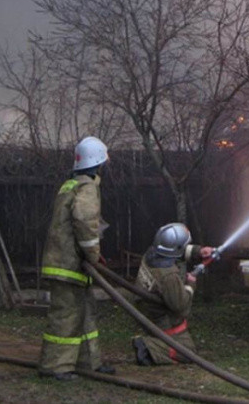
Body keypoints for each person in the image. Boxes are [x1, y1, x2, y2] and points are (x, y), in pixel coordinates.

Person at [38, 136, 115, 380]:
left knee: (85, 315)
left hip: (66, 263)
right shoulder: (87, 187)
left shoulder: (70, 184)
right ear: (98, 162)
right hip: (68, 265)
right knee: (66, 316)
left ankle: (87, 363)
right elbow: (84, 219)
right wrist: (93, 255)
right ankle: (55, 368)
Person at [132, 222, 213, 365]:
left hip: (146, 311)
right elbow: (180, 307)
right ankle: (148, 346)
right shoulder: (168, 276)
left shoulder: (151, 253)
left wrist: (199, 251)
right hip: (161, 320)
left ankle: (154, 340)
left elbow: (176, 251)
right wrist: (191, 284)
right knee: (188, 352)